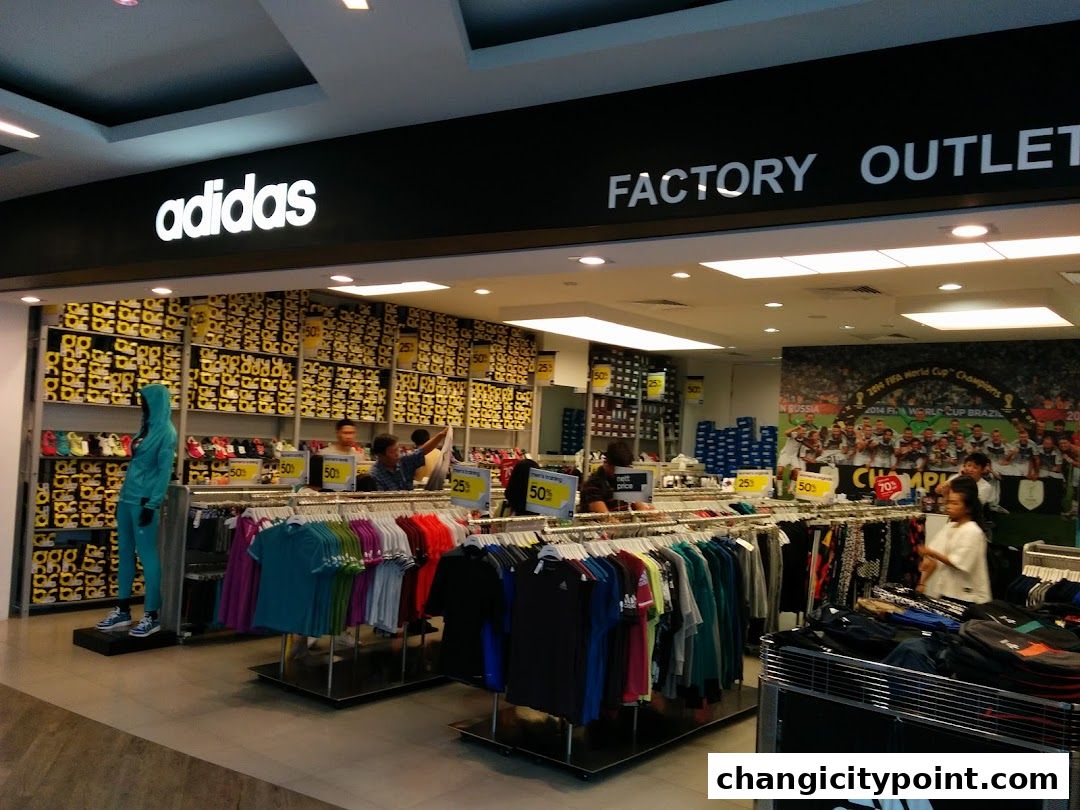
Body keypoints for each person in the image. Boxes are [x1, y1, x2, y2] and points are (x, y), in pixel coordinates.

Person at [95, 384, 177, 638]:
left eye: (145, 400)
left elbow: (164, 471)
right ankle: (122, 609)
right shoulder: (145, 428)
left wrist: (153, 504)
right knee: (124, 553)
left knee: (147, 555)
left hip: (143, 501)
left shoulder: (167, 432)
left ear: (155, 402)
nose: (141, 404)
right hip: (127, 498)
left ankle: (152, 615)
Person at [916, 477, 991, 603]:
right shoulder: (950, 527)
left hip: (968, 598)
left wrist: (931, 553)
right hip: (947, 593)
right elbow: (933, 558)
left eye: (954, 503)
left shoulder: (973, 531)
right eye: (948, 503)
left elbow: (958, 563)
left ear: (968, 508)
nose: (949, 507)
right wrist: (922, 583)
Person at [581, 441, 653, 513]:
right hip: (604, 519)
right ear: (607, 463)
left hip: (623, 519)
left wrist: (650, 512)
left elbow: (642, 509)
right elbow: (605, 517)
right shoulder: (593, 484)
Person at [370, 429, 448, 491]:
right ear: (380, 455)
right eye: (392, 451)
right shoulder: (375, 476)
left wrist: (441, 435)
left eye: (397, 449)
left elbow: (422, 451)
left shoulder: (403, 461)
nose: (397, 454)